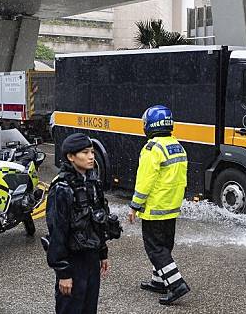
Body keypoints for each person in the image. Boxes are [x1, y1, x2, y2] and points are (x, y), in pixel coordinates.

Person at [127, 105, 190, 305]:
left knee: (155, 249)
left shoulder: (152, 149)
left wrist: (135, 206)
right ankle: (159, 281)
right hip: (171, 207)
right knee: (164, 245)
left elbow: (144, 181)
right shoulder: (177, 145)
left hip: (155, 209)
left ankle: (176, 284)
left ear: (149, 125)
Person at [46, 133, 111, 314]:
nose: (91, 156)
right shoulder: (61, 188)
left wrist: (102, 252)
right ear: (70, 157)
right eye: (85, 152)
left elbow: (98, 221)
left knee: (89, 308)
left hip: (91, 258)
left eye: (91, 152)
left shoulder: (93, 182)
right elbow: (57, 232)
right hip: (73, 261)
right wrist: (63, 273)